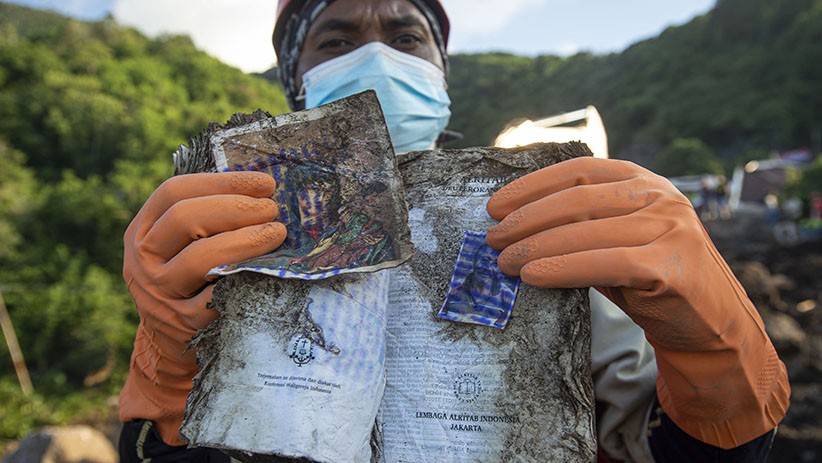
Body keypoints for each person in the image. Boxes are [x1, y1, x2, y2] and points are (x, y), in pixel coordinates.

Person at [117, 1, 790, 462]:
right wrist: (169, 365)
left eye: (406, 37)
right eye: (338, 38)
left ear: (441, 75)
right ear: (298, 80)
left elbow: (677, 446)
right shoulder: (235, 235)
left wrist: (714, 348)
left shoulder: (545, 221)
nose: (376, 52)